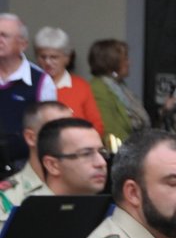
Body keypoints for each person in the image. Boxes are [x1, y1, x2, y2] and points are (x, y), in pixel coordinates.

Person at [0, 13, 57, 173]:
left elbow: (49, 131)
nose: (0, 40)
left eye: (4, 35)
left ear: (22, 44)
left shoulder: (40, 81)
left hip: (24, 168)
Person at [0, 101, 74, 222]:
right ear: (31, 137)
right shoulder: (5, 197)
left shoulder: (85, 185)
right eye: (56, 130)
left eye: (73, 128)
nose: (70, 137)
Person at [32, 28, 103, 134]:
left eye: (54, 57)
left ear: (67, 58)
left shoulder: (81, 86)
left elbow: (97, 125)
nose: (48, 62)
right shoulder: (30, 84)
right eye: (43, 57)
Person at [86, 38, 151, 144]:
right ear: (111, 61)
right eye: (125, 59)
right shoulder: (98, 87)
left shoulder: (118, 85)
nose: (129, 63)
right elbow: (109, 129)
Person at [34, 118, 108, 197]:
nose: (102, 163)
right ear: (52, 165)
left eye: (102, 152)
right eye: (86, 154)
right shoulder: (26, 207)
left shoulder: (108, 207)